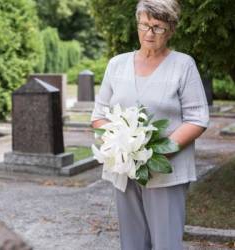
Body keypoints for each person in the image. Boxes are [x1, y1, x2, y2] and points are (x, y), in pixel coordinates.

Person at [90, 0, 209, 249]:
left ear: (171, 30)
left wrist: (157, 151)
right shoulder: (117, 65)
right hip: (124, 170)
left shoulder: (183, 65)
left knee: (166, 242)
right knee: (132, 242)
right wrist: (118, 146)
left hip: (166, 170)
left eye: (158, 27)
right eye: (144, 25)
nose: (149, 33)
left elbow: (197, 117)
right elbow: (99, 114)